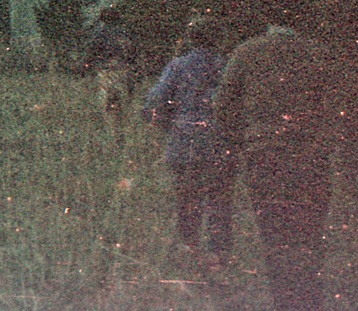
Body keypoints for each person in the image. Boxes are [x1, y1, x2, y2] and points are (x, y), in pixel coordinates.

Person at [214, 23, 334, 311]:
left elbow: (222, 107)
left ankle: (284, 300)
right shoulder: (319, 53)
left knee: (274, 234)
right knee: (309, 234)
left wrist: (240, 141)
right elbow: (336, 107)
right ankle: (309, 299)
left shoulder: (246, 52)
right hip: (311, 157)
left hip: (264, 155)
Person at [142, 19, 235, 263]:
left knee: (187, 198)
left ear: (192, 38)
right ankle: (218, 253)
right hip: (219, 141)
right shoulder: (226, 67)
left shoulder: (177, 66)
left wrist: (164, 125)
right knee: (219, 199)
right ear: (218, 39)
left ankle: (189, 248)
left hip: (184, 140)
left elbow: (156, 101)